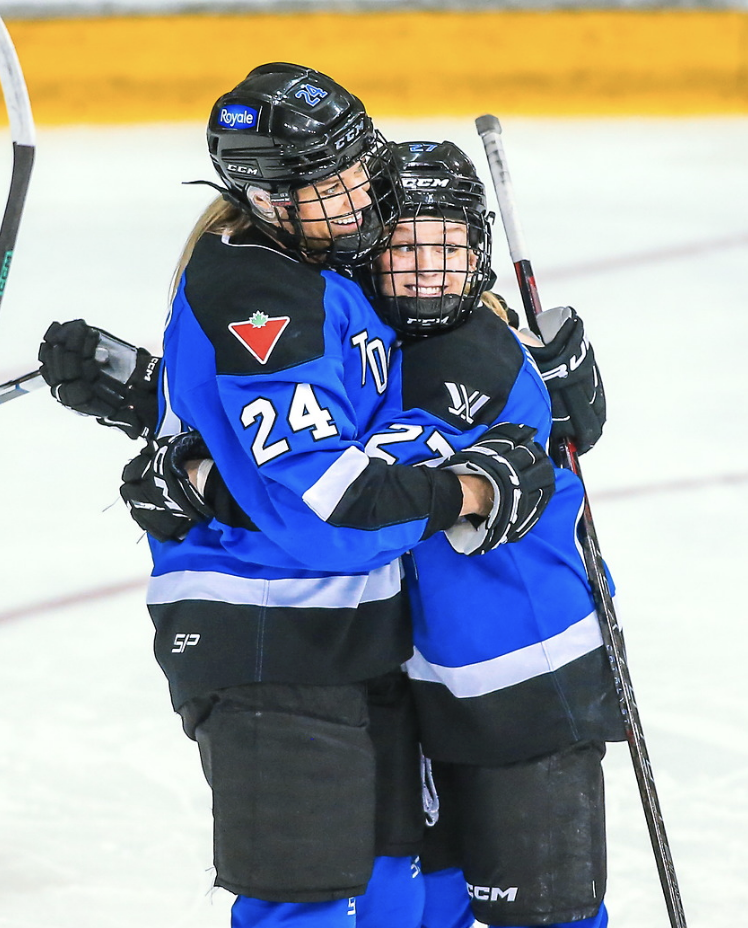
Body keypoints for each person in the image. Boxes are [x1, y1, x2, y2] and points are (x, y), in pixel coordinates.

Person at [38, 67, 556, 928]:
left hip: (356, 631)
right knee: (307, 904)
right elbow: (330, 509)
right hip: (267, 635)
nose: (360, 194)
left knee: (402, 888)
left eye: (361, 165)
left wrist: (156, 404)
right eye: (329, 182)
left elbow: (317, 419)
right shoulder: (259, 292)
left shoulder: (325, 258)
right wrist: (473, 487)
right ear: (266, 196)